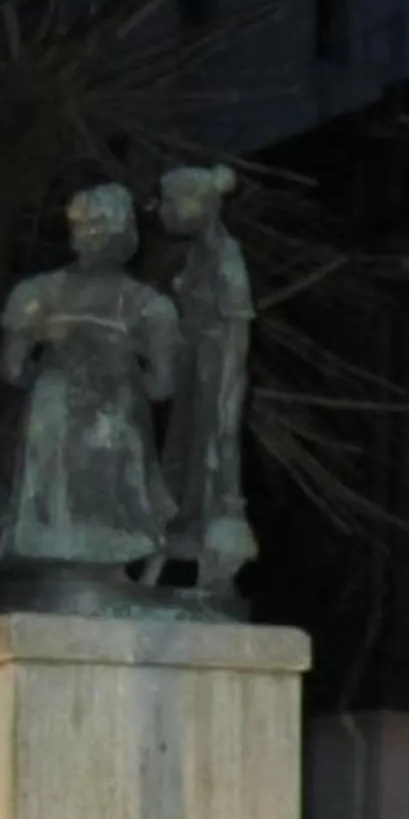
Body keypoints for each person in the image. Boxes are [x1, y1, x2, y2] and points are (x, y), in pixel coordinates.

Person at [0, 183, 180, 578]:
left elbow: (11, 368)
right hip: (118, 412)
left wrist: (42, 373)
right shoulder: (152, 307)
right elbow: (162, 385)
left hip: (53, 405)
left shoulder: (36, 293)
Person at [156, 163, 257, 598]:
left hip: (217, 371)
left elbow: (236, 332)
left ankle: (217, 563)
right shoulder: (200, 254)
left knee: (213, 460)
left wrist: (227, 400)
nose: (165, 212)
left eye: (173, 202)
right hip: (193, 371)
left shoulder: (226, 258)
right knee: (182, 461)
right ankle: (174, 544)